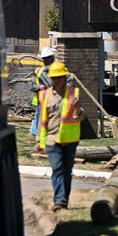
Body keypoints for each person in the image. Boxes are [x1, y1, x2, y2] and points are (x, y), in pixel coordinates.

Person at [38, 59, 83, 211]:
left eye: (59, 77)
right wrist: (39, 140)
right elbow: (42, 119)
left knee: (66, 171)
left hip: (70, 139)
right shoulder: (45, 95)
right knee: (57, 169)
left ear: (64, 78)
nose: (56, 80)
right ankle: (59, 201)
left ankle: (64, 200)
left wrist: (77, 108)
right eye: (54, 78)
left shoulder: (73, 94)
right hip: (51, 139)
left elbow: (81, 117)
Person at [30, 47, 56, 153]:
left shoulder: (59, 70)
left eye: (47, 58)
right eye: (44, 59)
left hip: (56, 102)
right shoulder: (39, 72)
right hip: (42, 102)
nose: (45, 61)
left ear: (52, 58)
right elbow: (33, 86)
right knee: (40, 122)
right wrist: (39, 88)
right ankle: (40, 142)